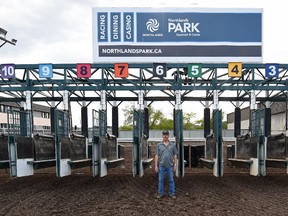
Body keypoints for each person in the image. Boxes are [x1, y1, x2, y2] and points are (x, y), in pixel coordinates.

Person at [154, 130, 178, 199]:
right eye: (164, 134)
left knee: (171, 180)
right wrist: (156, 166)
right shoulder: (159, 145)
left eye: (166, 134)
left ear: (168, 136)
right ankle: (160, 193)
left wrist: (175, 165)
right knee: (161, 180)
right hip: (161, 166)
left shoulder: (172, 145)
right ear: (162, 136)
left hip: (170, 166)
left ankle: (172, 193)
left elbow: (175, 155)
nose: (165, 136)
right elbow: (156, 156)